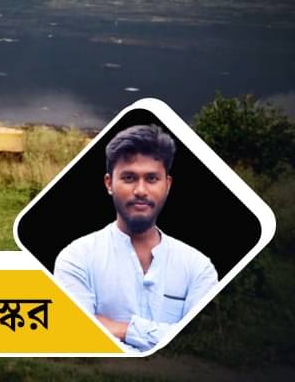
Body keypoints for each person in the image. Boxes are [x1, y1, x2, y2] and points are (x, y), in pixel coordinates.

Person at [53, 125, 218, 352]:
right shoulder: (77, 257)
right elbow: (77, 338)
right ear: (109, 184)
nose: (140, 190)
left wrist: (123, 329)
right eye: (129, 177)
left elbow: (201, 345)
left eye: (152, 178)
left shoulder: (198, 267)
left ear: (167, 185)